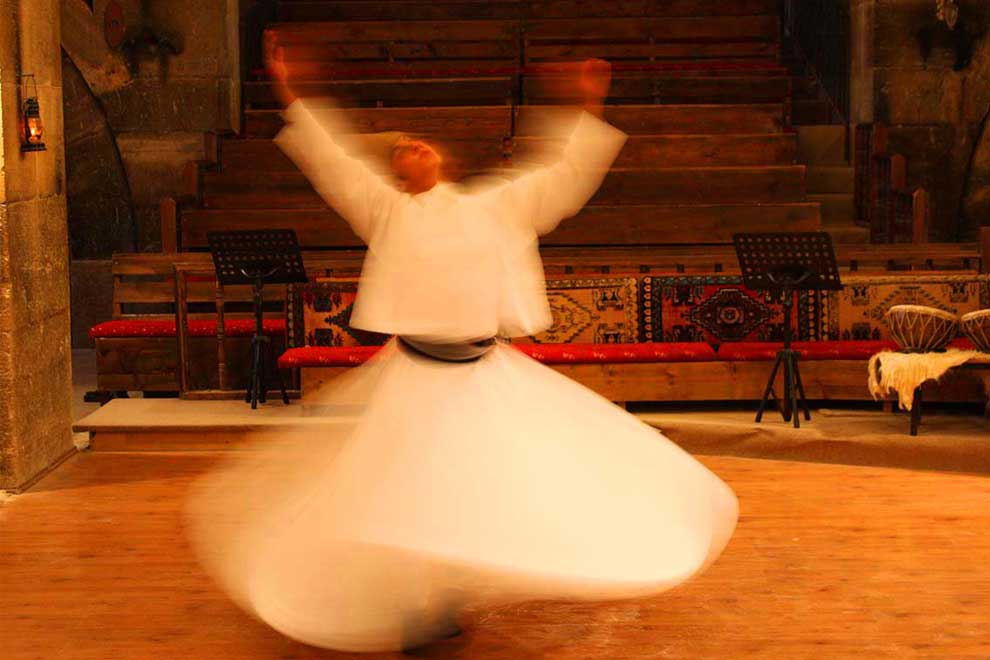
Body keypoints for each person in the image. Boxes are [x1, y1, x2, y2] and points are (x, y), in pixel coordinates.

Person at [183, 34, 739, 653]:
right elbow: (330, 160)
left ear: (442, 159)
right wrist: (288, 92)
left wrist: (589, 107)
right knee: (412, 489)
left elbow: (564, 175)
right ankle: (414, 598)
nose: (413, 147)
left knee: (484, 484)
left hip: (481, 372)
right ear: (397, 174)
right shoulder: (385, 209)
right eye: (402, 150)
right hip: (415, 375)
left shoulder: (495, 205)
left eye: (420, 142)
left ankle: (451, 586)